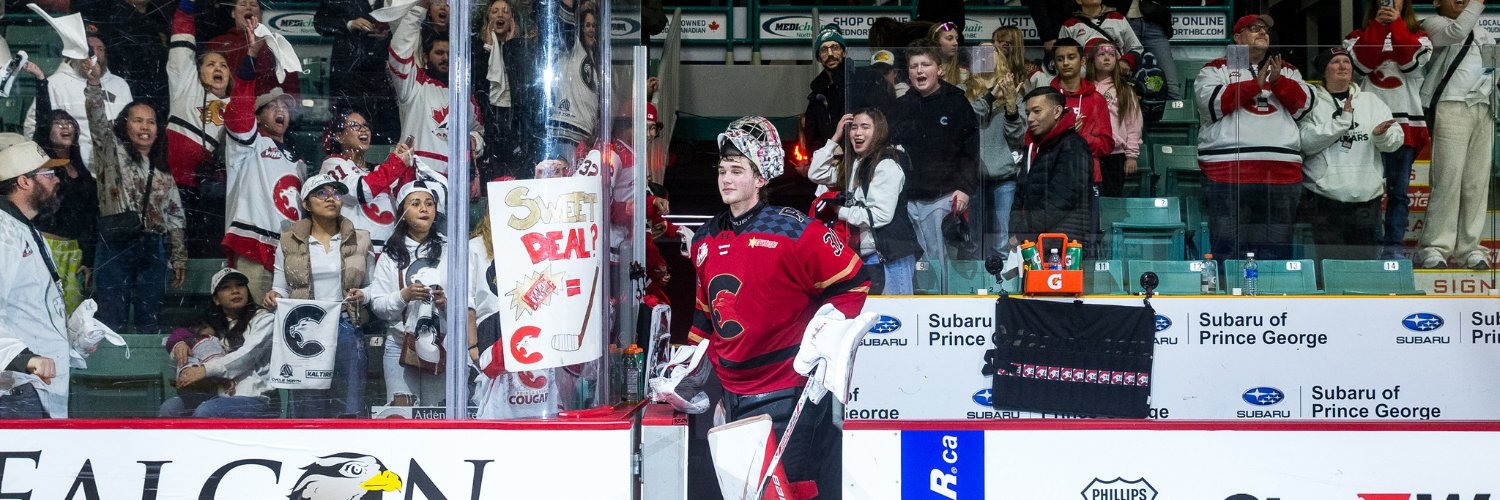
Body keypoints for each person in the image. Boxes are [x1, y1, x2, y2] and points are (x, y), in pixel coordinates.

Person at [689, 116, 868, 499]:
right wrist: (687, 365)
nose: (725, 178)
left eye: (737, 170)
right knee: (746, 492)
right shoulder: (704, 239)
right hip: (730, 393)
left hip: (787, 388)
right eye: (722, 170)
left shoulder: (795, 231)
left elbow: (855, 283)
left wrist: (828, 339)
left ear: (761, 178)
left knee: (790, 489)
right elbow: (706, 312)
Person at [1194, 14, 1314, 262]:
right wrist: (1253, 86)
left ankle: (1277, 301)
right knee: (1228, 249)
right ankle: (1227, 299)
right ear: (1237, 38)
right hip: (1227, 171)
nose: (1262, 32)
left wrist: (1278, 82)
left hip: (1281, 174)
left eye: (1265, 30)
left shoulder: (1287, 70)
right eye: (1253, 28)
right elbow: (1211, 104)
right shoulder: (1215, 69)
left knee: (1276, 253)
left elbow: (1305, 107)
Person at [85, 62, 188, 334]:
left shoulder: (163, 170)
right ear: (125, 124)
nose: (145, 126)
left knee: (149, 319)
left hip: (153, 249)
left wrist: (178, 257)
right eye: (138, 120)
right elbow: (97, 125)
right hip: (115, 245)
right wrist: (94, 87)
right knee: (110, 319)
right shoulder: (111, 154)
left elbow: (176, 215)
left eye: (151, 121)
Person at [264, 174, 375, 418]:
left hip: (345, 322)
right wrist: (274, 296)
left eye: (336, 193)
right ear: (305, 203)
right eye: (321, 194)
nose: (331, 199)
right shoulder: (288, 241)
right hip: (305, 325)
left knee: (349, 403)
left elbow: (373, 287)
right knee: (306, 405)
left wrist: (362, 295)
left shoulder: (361, 238)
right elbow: (280, 287)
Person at [221, 26, 306, 301]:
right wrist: (251, 57)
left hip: (291, 254)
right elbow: (239, 111)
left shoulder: (298, 162)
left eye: (284, 106)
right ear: (257, 117)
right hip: (254, 248)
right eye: (272, 106)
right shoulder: (248, 143)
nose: (281, 109)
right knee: (257, 323)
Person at [1344, 0, 1431, 260]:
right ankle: (1369, 246)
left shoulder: (1421, 37)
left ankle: (1393, 246)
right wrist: (1381, 28)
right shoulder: (1356, 37)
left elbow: (1410, 64)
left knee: (1399, 192)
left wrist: (1395, 25)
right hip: (1368, 125)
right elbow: (1361, 66)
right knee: (1367, 191)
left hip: (1406, 124)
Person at [1299, 48, 1404, 261]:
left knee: (1364, 269)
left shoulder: (1370, 101)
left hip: (1366, 198)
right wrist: (1341, 123)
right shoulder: (1311, 101)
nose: (1342, 66)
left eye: (1346, 62)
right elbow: (1305, 142)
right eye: (1335, 62)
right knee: (1329, 267)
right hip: (1324, 196)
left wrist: (1381, 136)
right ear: (1323, 70)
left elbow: (1395, 140)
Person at [889, 42, 979, 282]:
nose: (919, 71)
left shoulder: (956, 102)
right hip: (907, 198)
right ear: (907, 73)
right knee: (916, 262)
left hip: (943, 196)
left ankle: (944, 308)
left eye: (925, 65)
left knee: (940, 259)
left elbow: (970, 150)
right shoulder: (901, 106)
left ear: (939, 70)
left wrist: (965, 189)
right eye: (914, 66)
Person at [810, 109, 923, 295]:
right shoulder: (854, 164)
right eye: (853, 128)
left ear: (878, 131)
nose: (858, 132)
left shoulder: (886, 164)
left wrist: (841, 212)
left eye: (865, 127)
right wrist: (835, 138)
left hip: (892, 255)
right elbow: (815, 174)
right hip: (867, 255)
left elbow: (880, 215)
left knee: (899, 319)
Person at [1416, 0, 1492, 270]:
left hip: (1483, 107)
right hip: (1450, 105)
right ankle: (1434, 247)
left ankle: (1469, 248)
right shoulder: (1432, 24)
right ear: (1437, 2)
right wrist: (1477, 4)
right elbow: (1457, 33)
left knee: (1476, 183)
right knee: (1447, 179)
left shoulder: (1483, 32)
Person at [21, 61, 98, 315]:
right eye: (59, 123)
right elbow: (43, 120)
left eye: (69, 123)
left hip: (74, 252)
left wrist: (88, 260)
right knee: (43, 313)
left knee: (71, 316)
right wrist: (42, 81)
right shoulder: (44, 162)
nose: (65, 126)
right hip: (46, 247)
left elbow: (90, 220)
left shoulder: (84, 172)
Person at [0, 137, 68, 418]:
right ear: (24, 181)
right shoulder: (3, 232)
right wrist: (22, 358)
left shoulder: (24, 229)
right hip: (15, 387)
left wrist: (75, 334)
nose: (56, 181)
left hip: (36, 386)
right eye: (48, 173)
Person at [366, 180, 448, 406]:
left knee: (437, 418)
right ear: (402, 211)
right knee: (402, 417)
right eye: (416, 203)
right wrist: (404, 295)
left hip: (441, 344)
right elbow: (379, 305)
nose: (424, 209)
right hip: (399, 345)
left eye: (429, 203)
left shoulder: (450, 249)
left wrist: (445, 302)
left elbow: (467, 302)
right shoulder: (390, 254)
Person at [165, 0, 233, 258]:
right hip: (173, 186)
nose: (218, 68)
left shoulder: (237, 108)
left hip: (211, 194)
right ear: (197, 72)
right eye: (211, 64)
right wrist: (186, 8)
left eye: (224, 65)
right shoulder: (186, 87)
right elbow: (181, 49)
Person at [168, 268, 280, 418]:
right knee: (169, 408)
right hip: (216, 394)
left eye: (240, 285)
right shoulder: (213, 325)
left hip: (253, 396)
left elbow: (247, 355)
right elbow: (181, 333)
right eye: (226, 287)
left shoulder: (264, 319)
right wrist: (179, 343)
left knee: (207, 411)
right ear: (216, 299)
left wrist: (205, 370)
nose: (235, 291)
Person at [390, 0, 483, 176]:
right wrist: (419, 9)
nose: (445, 58)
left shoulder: (465, 96)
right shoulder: (414, 83)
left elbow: (478, 133)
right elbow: (399, 52)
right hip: (415, 179)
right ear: (425, 57)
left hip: (452, 184)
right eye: (439, 53)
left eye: (449, 54)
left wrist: (474, 141)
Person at [23, 32, 134, 169]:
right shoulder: (55, 84)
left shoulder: (121, 85)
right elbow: (33, 127)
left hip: (119, 167)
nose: (95, 55)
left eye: (100, 49)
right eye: (89, 49)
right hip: (76, 171)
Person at [965, 30, 1027, 255]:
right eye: (979, 51)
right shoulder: (965, 91)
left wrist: (1011, 106)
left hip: (1004, 174)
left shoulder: (1015, 92)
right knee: (975, 240)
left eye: (990, 51)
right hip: (973, 175)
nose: (984, 55)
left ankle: (1005, 285)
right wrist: (991, 95)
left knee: (1002, 239)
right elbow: (967, 119)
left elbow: (1018, 137)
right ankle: (975, 288)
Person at [319, 110, 417, 253]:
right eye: (354, 125)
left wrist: (405, 166)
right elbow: (359, 191)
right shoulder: (332, 164)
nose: (363, 129)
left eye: (365, 125)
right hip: (356, 253)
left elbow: (404, 201)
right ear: (339, 137)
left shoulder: (377, 169)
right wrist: (396, 164)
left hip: (389, 252)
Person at [1012, 87, 1093, 245]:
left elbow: (1059, 201)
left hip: (1062, 245)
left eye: (1036, 111)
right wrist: (1015, 229)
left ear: (1057, 112)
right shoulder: (1034, 147)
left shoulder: (1074, 146)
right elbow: (1020, 195)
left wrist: (1022, 233)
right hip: (1034, 241)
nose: (1029, 118)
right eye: (1028, 113)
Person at [314, 0, 400, 144]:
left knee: (381, 134)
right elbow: (320, 22)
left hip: (381, 79)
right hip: (348, 78)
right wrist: (350, 23)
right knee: (347, 132)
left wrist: (389, 33)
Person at [202, 0, 299, 98]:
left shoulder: (274, 44)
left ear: (260, 14)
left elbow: (290, 82)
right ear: (233, 13)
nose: (248, 7)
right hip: (226, 106)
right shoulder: (217, 44)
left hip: (264, 109)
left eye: (253, 5)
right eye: (242, 4)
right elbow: (205, 80)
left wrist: (291, 107)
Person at [542, 0, 600, 160]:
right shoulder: (572, 47)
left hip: (583, 136)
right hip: (567, 133)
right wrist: (570, 4)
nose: (591, 30)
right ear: (579, 28)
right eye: (587, 25)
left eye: (594, 26)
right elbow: (566, 26)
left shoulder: (594, 58)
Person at [1088, 39, 1143, 198]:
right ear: (1092, 59)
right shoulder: (1085, 88)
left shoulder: (1124, 90)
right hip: (1090, 151)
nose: (1107, 58)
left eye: (1111, 55)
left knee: (1112, 197)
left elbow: (1134, 124)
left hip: (1115, 154)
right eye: (1102, 54)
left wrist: (1131, 155)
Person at [1059, 0, 1145, 73]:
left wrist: (1126, 62)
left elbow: (1136, 47)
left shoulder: (1118, 18)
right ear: (1078, 0)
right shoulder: (1069, 26)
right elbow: (1062, 55)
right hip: (1085, 82)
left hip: (1117, 79)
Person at [804, 23, 847, 159]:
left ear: (844, 51)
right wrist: (827, 153)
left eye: (835, 47)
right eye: (823, 50)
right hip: (830, 165)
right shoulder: (816, 94)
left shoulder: (859, 82)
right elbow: (811, 139)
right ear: (818, 57)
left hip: (859, 161)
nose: (830, 54)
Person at [927, 21, 967, 88]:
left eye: (956, 39)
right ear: (935, 42)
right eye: (949, 38)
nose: (955, 43)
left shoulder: (964, 74)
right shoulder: (923, 72)